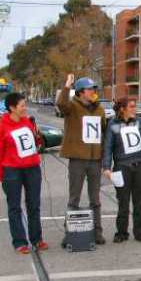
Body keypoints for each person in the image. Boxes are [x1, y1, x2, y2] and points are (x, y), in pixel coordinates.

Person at [102, 88, 141, 243]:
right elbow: (108, 147)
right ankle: (122, 232)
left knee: (140, 202)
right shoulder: (113, 125)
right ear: (122, 109)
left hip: (139, 167)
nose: (134, 110)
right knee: (123, 202)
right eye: (131, 107)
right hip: (122, 168)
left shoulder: (138, 123)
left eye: (134, 107)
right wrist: (106, 168)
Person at [57, 74, 107, 244]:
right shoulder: (72, 107)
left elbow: (104, 133)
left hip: (95, 160)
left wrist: (105, 159)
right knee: (74, 198)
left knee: (96, 200)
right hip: (78, 159)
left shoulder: (100, 109)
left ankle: (97, 232)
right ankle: (69, 233)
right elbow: (61, 104)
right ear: (80, 92)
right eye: (90, 89)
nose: (94, 91)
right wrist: (67, 86)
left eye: (94, 89)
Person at [0, 93, 47, 254]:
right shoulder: (2, 126)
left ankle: (37, 239)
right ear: (12, 108)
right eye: (22, 105)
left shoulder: (28, 122)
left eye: (25, 104)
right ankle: (19, 241)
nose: (25, 108)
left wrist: (38, 135)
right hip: (12, 171)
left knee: (34, 205)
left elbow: (36, 144)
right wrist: (2, 176)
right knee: (14, 207)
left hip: (32, 168)